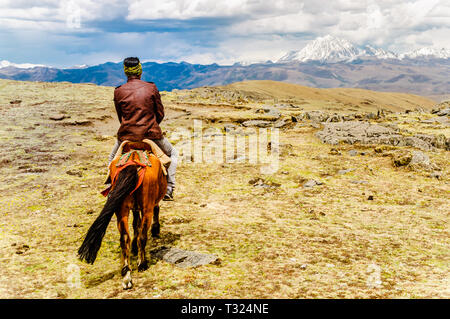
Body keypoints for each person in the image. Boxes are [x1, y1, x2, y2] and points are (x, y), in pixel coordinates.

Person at [108, 57, 177, 201]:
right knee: (172, 154)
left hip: (126, 136)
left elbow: (121, 117)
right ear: (140, 71)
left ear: (126, 72)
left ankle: (112, 186)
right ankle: (169, 187)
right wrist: (151, 125)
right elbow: (160, 114)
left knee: (112, 159)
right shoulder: (151, 87)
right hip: (151, 134)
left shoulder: (118, 91)